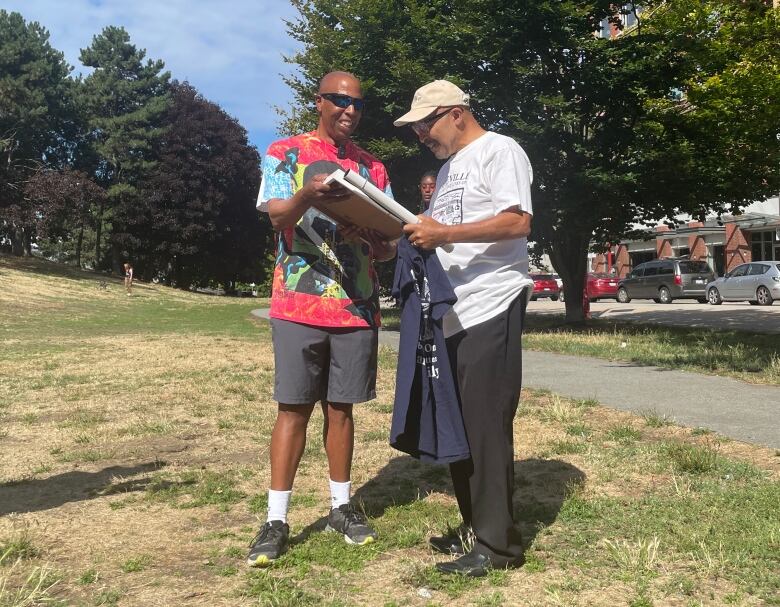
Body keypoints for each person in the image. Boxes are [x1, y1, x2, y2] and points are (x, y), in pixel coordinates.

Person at [248, 71, 397, 567]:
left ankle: (341, 507)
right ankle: (276, 519)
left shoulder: (373, 168)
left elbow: (390, 244)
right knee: (292, 408)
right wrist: (308, 195)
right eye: (338, 100)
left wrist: (374, 235)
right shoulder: (285, 152)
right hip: (298, 303)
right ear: (319, 102)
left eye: (356, 102)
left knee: (342, 408)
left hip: (356, 305)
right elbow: (276, 217)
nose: (348, 109)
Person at [394, 80, 534, 577]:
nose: (420, 137)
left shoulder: (501, 150)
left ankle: (499, 548)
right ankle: (477, 527)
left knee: (485, 426)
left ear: (455, 113)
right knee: (457, 425)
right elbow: (431, 235)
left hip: (491, 304)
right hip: (451, 311)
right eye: (415, 130)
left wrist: (444, 233)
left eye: (425, 125)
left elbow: (517, 223)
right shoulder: (450, 169)